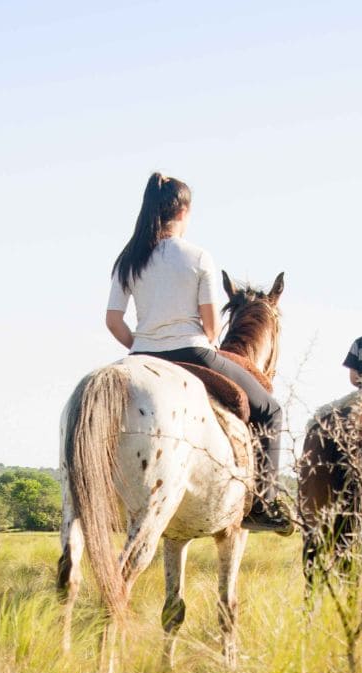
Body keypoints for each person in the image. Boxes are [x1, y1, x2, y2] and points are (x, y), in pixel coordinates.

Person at [105, 172, 292, 535]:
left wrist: (142, 347)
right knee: (270, 408)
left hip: (142, 354)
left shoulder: (128, 259)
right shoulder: (198, 257)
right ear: (184, 211)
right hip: (193, 351)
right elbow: (209, 326)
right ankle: (264, 504)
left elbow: (113, 321)